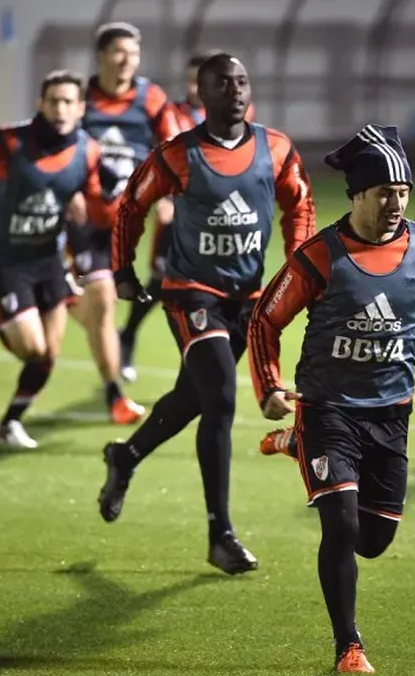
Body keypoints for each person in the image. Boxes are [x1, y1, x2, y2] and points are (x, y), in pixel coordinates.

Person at [247, 125, 415, 672]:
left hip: (391, 414)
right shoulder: (321, 256)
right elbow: (265, 320)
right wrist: (269, 384)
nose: (394, 202)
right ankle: (349, 645)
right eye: (383, 191)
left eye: (402, 191)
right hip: (329, 408)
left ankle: (296, 446)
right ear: (358, 195)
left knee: (373, 540)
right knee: (339, 524)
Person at [97, 54, 315, 575]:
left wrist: (300, 267)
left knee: (191, 397)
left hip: (246, 297)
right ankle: (221, 534)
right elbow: (132, 204)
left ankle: (125, 457)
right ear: (203, 92)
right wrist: (123, 270)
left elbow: (299, 205)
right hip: (191, 294)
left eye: (242, 81)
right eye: (223, 83)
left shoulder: (277, 148)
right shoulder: (179, 154)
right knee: (219, 398)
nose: (235, 91)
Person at [0, 70, 116, 448]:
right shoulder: (8, 143)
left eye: (69, 101)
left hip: (49, 259)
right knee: (32, 348)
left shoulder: (88, 152)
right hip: (6, 261)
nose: (60, 109)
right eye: (53, 101)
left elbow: (99, 204)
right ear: (40, 104)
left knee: (48, 354)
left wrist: (103, 201)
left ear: (81, 108)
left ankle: (10, 423)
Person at [61, 22, 179, 423]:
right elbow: (57, 146)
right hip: (81, 220)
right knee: (103, 306)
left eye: (133, 52)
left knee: (107, 306)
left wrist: (167, 195)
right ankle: (115, 392)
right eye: (118, 52)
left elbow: (174, 150)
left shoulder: (150, 98)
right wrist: (68, 189)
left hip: (127, 222)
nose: (127, 60)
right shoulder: (78, 100)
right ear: (101, 56)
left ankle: (56, 298)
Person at [116, 50, 258, 383]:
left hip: (221, 220)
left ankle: (201, 359)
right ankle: (130, 334)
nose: (198, 86)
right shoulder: (173, 115)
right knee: (160, 283)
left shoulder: (240, 112)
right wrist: (166, 197)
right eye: (195, 80)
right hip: (180, 219)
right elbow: (168, 157)